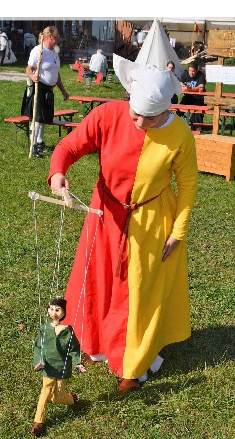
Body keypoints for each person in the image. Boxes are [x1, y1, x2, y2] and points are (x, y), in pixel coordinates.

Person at [47, 65, 195, 390]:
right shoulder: (108, 115)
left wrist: (178, 231)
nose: (139, 122)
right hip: (105, 212)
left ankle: (135, 364)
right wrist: (58, 172)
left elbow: (187, 185)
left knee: (140, 291)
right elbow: (69, 147)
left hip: (150, 219)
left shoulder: (180, 134)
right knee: (98, 280)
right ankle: (97, 345)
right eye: (136, 113)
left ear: (165, 109)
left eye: (150, 117)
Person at [31, 297, 85, 437]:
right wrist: (39, 361)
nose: (53, 313)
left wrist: (78, 363)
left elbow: (75, 349)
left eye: (57, 310)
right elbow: (38, 347)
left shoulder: (68, 331)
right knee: (45, 393)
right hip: (48, 368)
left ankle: (72, 399)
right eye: (51, 309)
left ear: (64, 312)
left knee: (57, 398)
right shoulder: (44, 329)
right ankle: (38, 423)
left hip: (62, 369)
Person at [22, 26, 71, 158]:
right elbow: (29, 68)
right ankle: (33, 146)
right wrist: (32, 76)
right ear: (50, 37)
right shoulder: (38, 51)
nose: (58, 40)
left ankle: (40, 143)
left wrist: (63, 91)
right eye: (57, 37)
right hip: (39, 88)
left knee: (44, 118)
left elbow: (56, 74)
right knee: (38, 118)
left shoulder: (54, 52)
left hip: (49, 90)